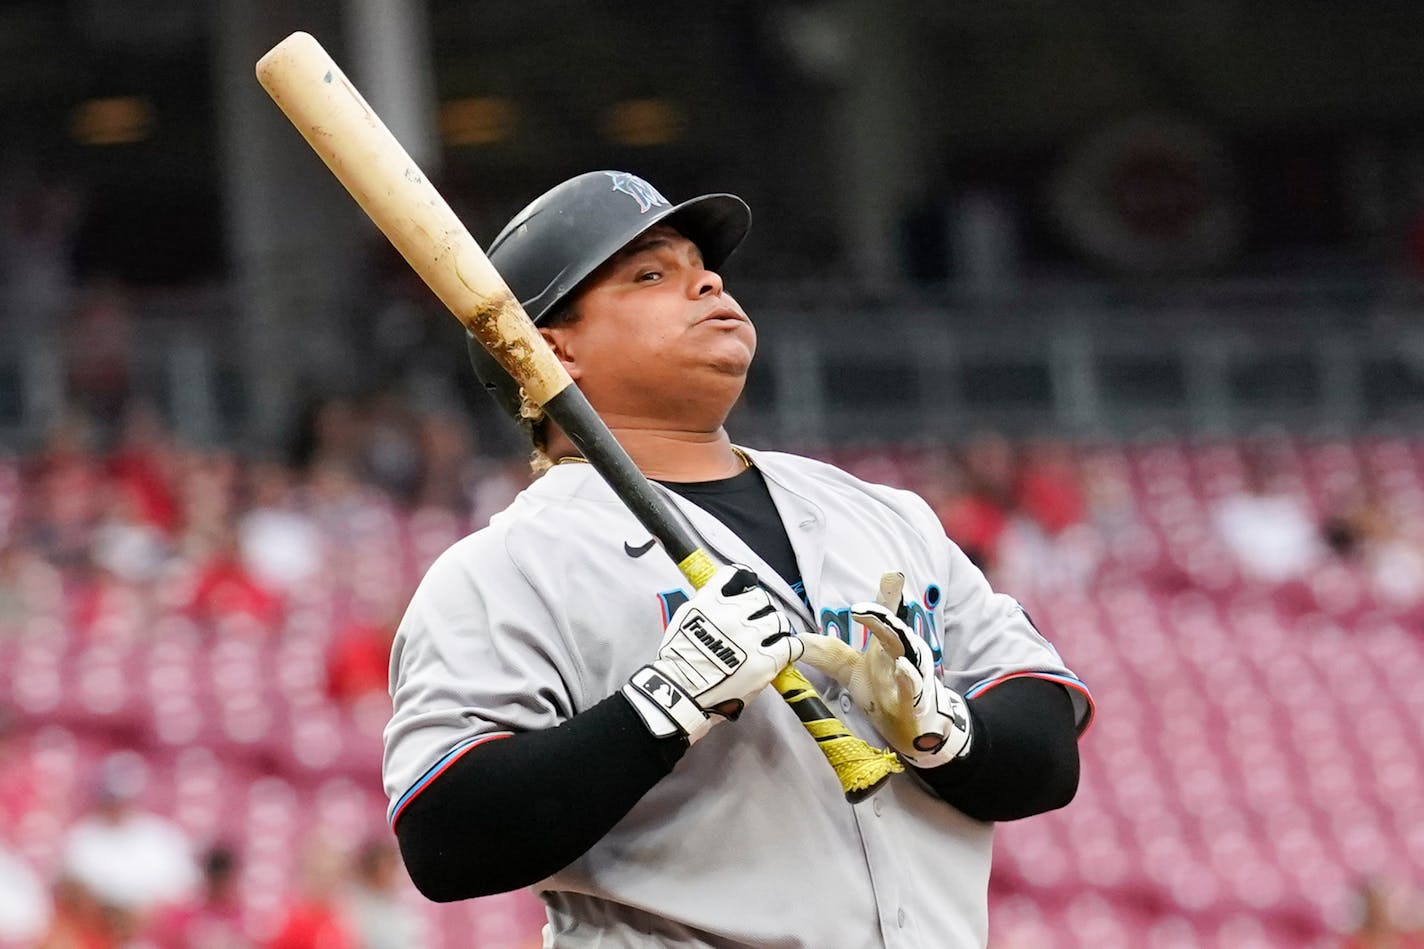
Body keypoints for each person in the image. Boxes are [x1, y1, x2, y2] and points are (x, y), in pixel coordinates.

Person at [382, 171, 1093, 948]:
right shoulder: (508, 568)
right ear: (552, 348)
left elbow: (1047, 745)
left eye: (702, 265)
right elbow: (446, 840)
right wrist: (659, 705)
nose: (710, 281)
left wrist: (945, 730)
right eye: (652, 274)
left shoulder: (880, 515)